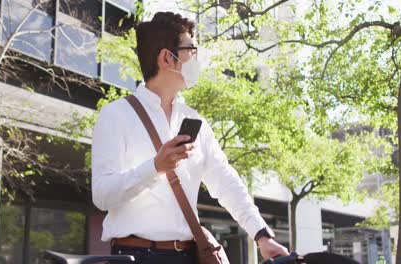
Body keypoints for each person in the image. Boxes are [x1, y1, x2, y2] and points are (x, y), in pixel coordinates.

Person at [92, 11, 289, 264]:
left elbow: (225, 181)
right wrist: (155, 168)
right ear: (166, 57)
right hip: (135, 257)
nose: (195, 58)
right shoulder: (115, 115)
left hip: (188, 255)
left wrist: (262, 235)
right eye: (190, 50)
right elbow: (102, 195)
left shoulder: (196, 121)